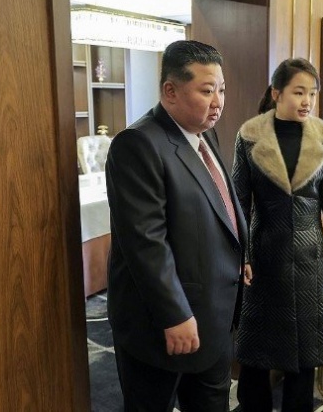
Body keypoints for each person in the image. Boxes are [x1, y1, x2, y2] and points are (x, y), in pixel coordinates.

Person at [105, 40, 247, 412]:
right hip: (164, 325)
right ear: (170, 91)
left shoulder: (205, 133)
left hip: (213, 317)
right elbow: (145, 242)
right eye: (207, 91)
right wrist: (175, 314)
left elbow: (219, 206)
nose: (218, 102)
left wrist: (241, 254)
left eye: (221, 90)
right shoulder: (137, 145)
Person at [232, 58, 323, 412]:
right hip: (263, 255)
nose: (307, 101)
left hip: (309, 258)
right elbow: (239, 203)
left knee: (305, 354)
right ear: (277, 93)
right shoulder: (249, 136)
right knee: (256, 352)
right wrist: (242, 255)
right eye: (299, 92)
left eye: (312, 94)